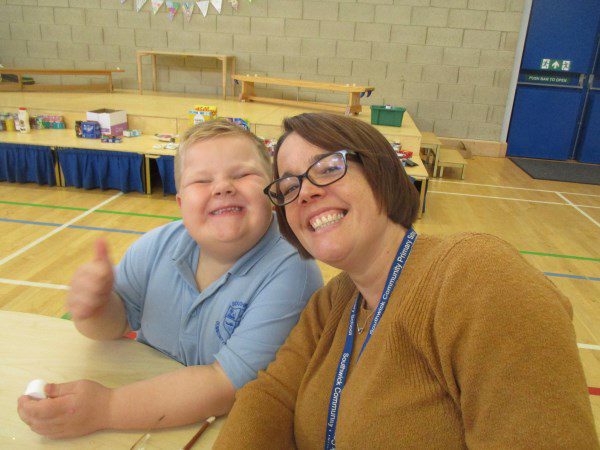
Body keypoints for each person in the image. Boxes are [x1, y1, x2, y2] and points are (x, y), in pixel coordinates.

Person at [214, 112, 599, 448]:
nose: (306, 193)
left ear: (379, 173)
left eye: (329, 168)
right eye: (289, 186)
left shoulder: (476, 275)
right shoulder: (332, 302)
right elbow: (271, 397)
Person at [17, 119, 323, 439]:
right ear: (181, 203)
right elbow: (113, 326)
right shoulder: (156, 246)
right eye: (202, 180)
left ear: (272, 191)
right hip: (142, 416)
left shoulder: (293, 272)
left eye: (242, 175)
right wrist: (95, 309)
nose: (223, 187)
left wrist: (105, 408)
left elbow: (225, 386)